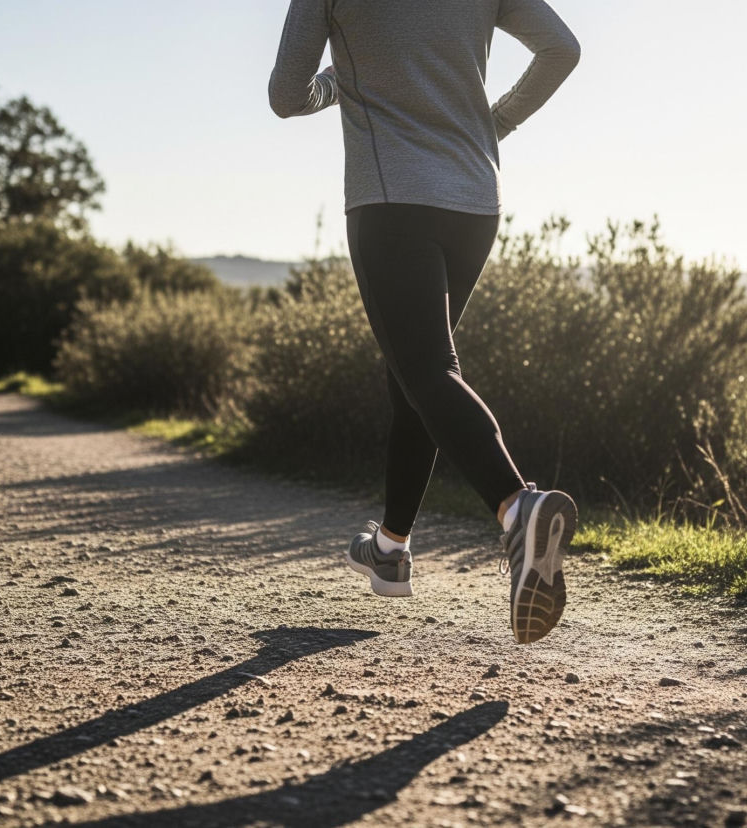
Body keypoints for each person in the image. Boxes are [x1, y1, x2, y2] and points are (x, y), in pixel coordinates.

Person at [269, 0, 580, 644]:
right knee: (415, 374)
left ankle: (516, 504)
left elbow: (284, 96)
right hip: (474, 200)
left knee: (426, 370)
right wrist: (496, 122)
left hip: (392, 199)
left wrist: (337, 80)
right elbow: (561, 49)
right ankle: (389, 547)